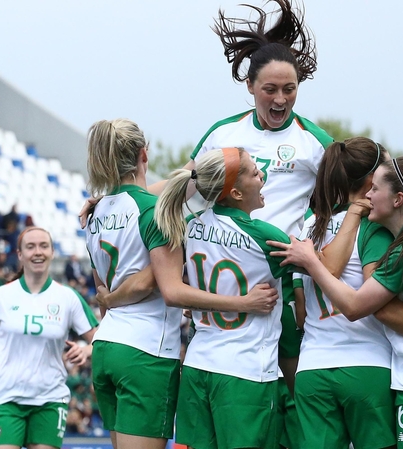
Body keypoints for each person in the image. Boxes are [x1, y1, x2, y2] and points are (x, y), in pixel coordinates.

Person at [84, 119, 278, 449]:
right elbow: (166, 287)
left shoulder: (95, 211)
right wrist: (243, 303)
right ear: (144, 154)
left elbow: (102, 286)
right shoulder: (154, 211)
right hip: (146, 350)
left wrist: (112, 300)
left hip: (106, 345)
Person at [269, 156, 403, 448]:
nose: (367, 195)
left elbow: (358, 307)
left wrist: (312, 262)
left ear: (398, 199)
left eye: (376, 189)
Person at [154, 147, 297, 449]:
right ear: (235, 193)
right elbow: (325, 268)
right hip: (245, 371)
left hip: (197, 366)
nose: (262, 175)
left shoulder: (190, 226)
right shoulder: (265, 236)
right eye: (254, 172)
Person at [0, 226, 99, 449]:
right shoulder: (1, 295)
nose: (38, 252)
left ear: (52, 252)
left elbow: (100, 339)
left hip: (49, 400)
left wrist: (86, 350)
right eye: (30, 247)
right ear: (20, 255)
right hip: (4, 399)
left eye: (43, 246)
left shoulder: (68, 297)